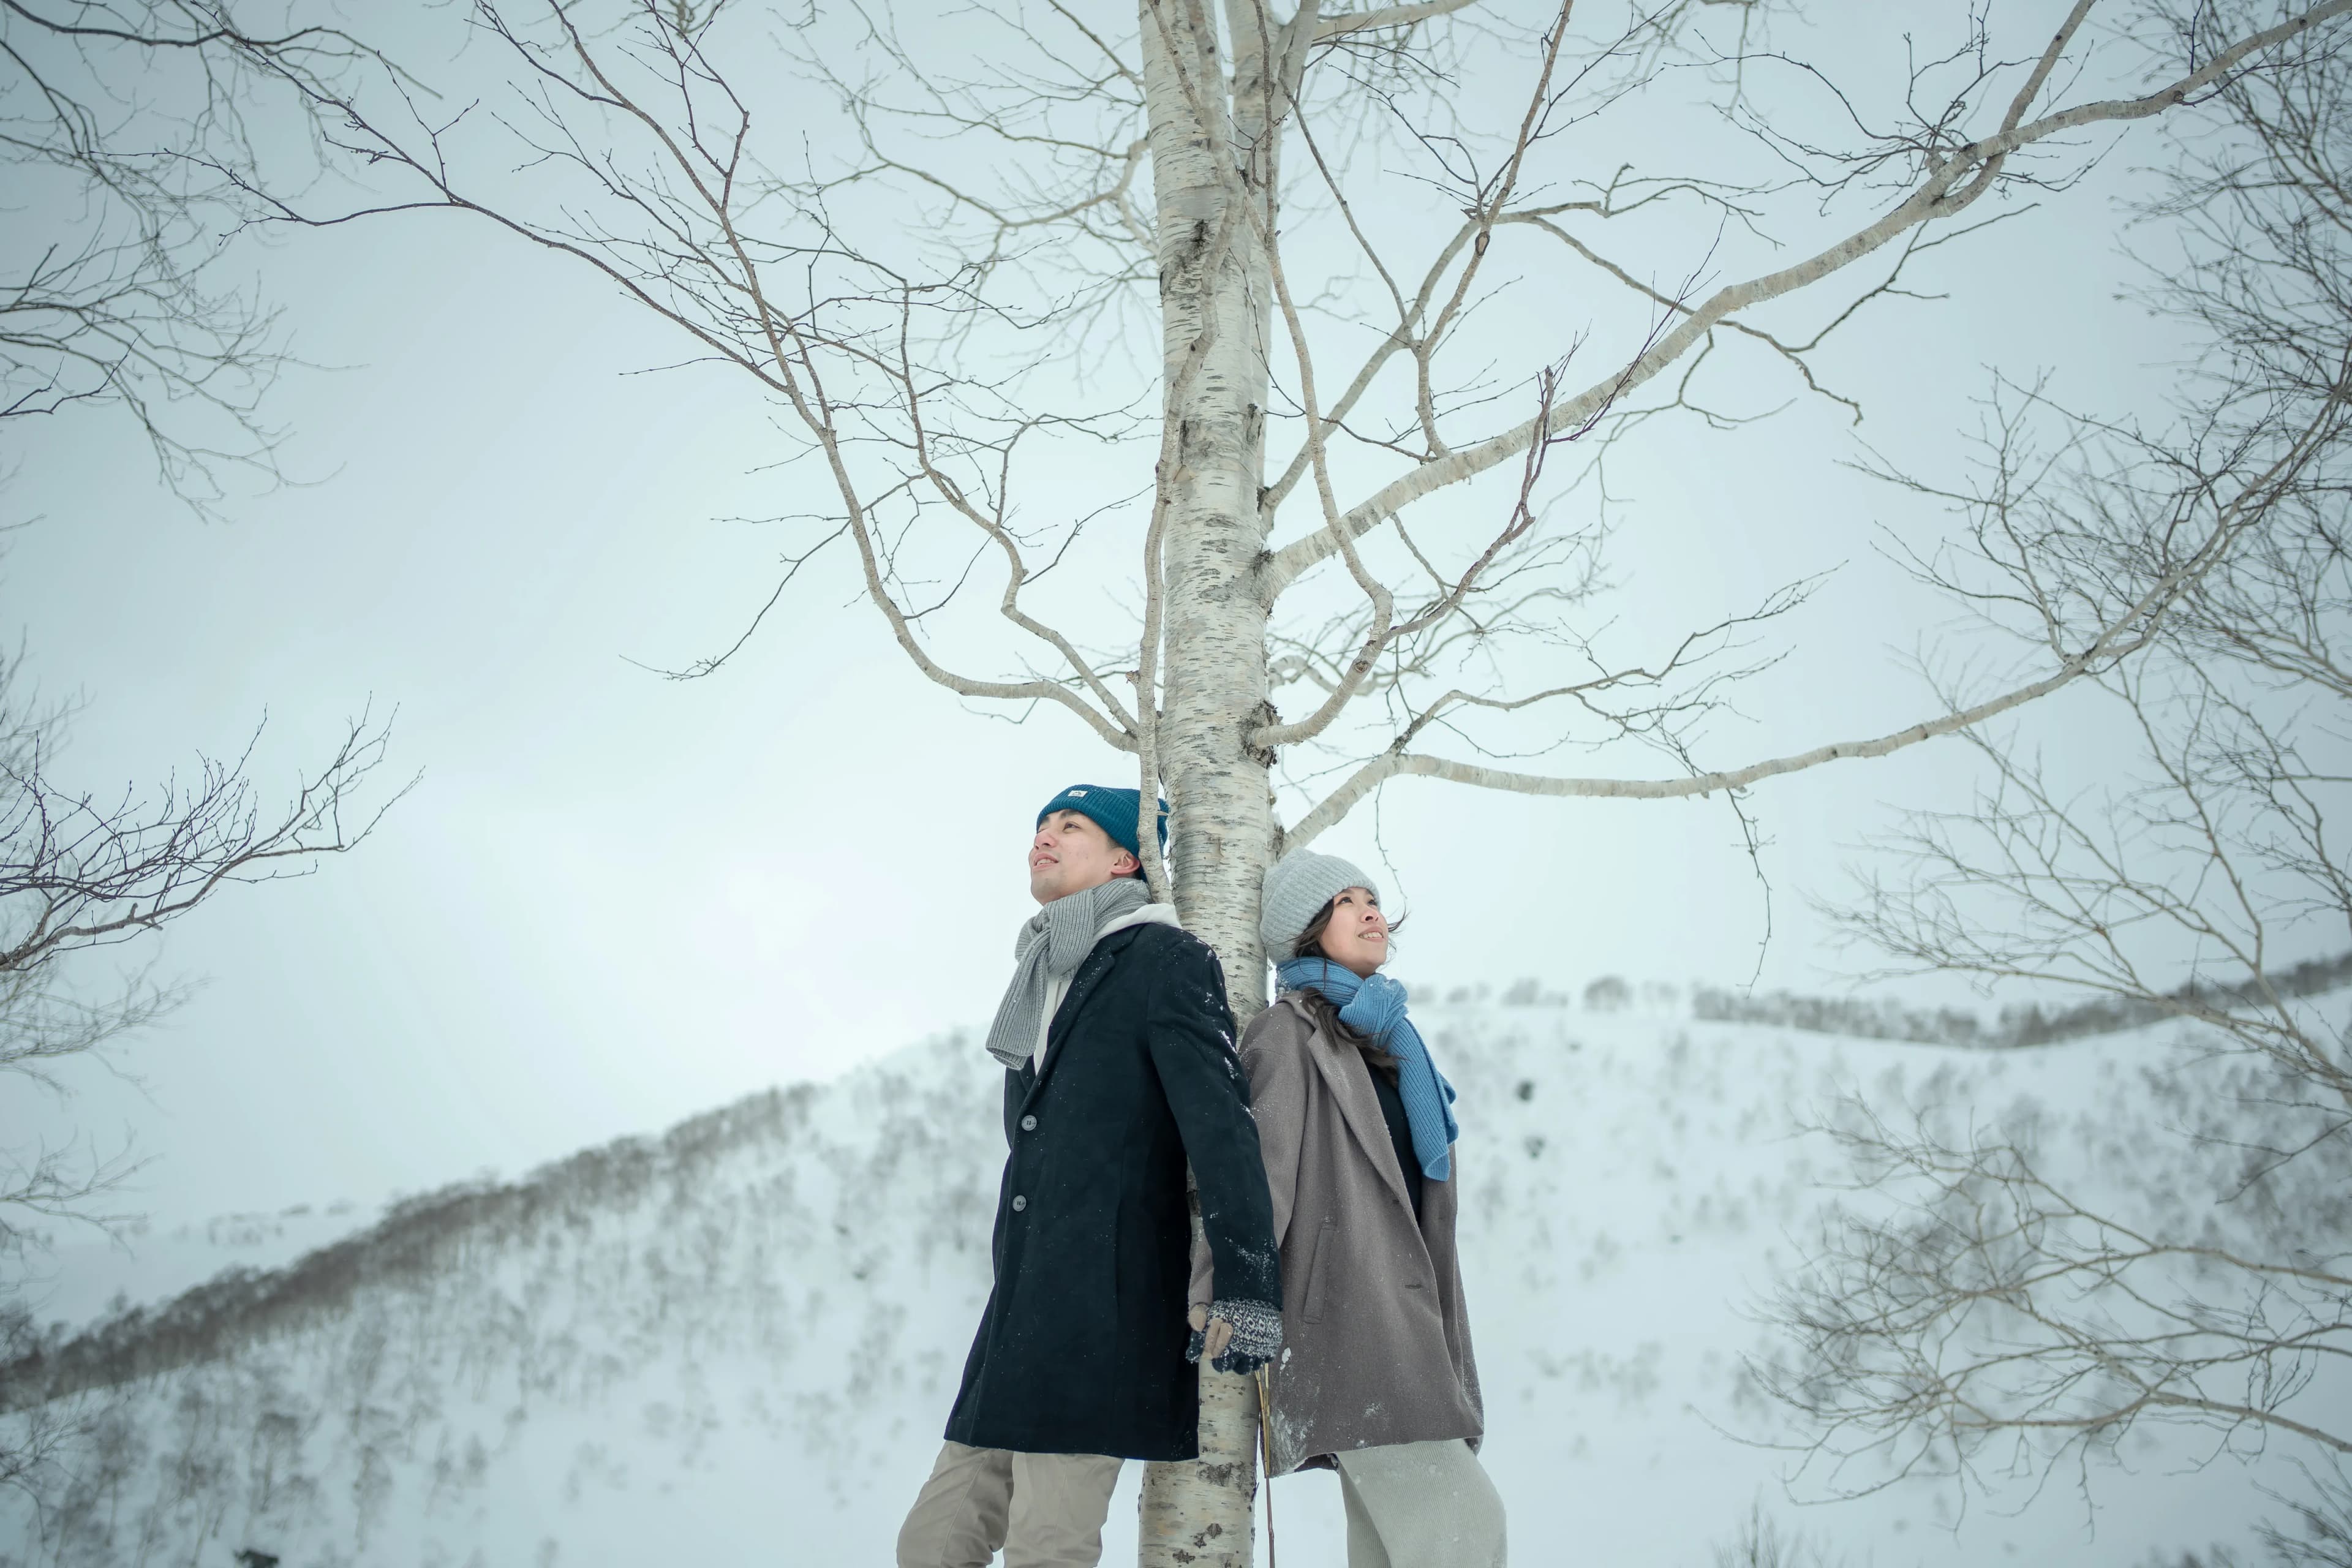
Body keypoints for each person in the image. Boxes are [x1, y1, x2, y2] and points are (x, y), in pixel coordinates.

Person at [896, 785, 1283, 1568]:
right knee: (932, 1543)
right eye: (1039, 825)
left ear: (1124, 859)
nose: (1044, 837)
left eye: (1070, 826)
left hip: (1101, 1314)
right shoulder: (1040, 974)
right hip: (1019, 1312)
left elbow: (1223, 1130)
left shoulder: (1166, 960)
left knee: (1048, 1548)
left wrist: (1249, 1286)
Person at [1189, 846, 1504, 1568]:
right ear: (1305, 929)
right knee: (1465, 1531)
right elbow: (1256, 1177)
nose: (1369, 910)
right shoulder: (1287, 1032)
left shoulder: (1391, 1039)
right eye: (1344, 901)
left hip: (1413, 1326)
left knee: (1389, 1551)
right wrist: (1225, 1290)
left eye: (1371, 897)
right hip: (1349, 1323)